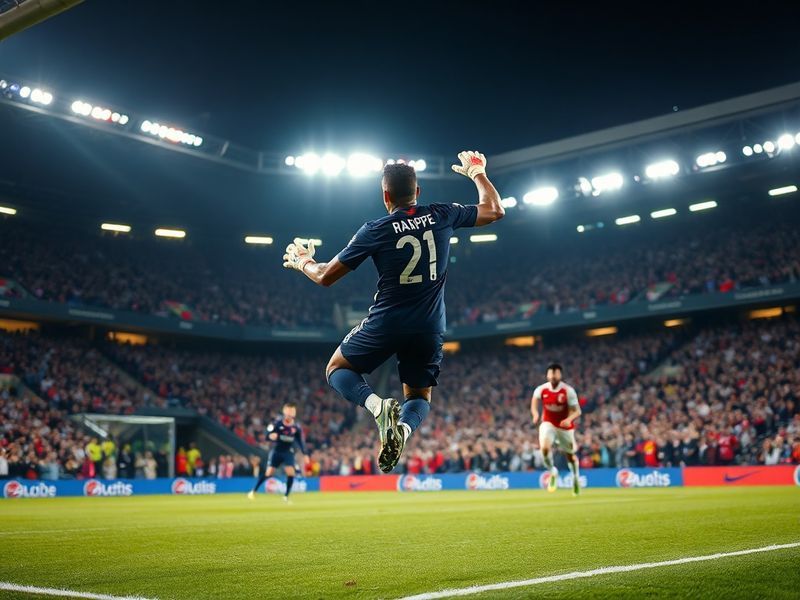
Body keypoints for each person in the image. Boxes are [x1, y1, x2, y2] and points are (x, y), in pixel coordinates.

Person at [282, 152, 504, 472]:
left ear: (385, 196)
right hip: (429, 327)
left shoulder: (375, 229)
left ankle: (377, 408)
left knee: (336, 368)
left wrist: (302, 259)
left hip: (388, 321)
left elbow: (325, 276)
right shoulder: (442, 214)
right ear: (419, 192)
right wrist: (478, 173)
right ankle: (402, 428)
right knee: (418, 397)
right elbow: (495, 210)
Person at [531, 363, 582, 496]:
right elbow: (534, 402)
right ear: (547, 375)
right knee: (545, 448)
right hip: (548, 423)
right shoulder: (541, 389)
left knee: (570, 456)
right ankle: (553, 472)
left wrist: (569, 419)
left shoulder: (567, 391)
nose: (553, 376)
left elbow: (577, 411)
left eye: (556, 373)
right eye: (551, 373)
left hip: (565, 427)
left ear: (560, 375)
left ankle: (576, 479)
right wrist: (536, 414)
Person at [248, 403, 307, 503]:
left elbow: (300, 441)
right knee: (269, 473)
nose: (290, 413)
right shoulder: (276, 423)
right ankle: (253, 491)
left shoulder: (296, 427)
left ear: (294, 413)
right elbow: (267, 435)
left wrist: (304, 454)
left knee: (291, 472)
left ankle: (286, 496)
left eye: (292, 411)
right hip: (276, 451)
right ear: (284, 412)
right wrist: (270, 436)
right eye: (288, 411)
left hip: (288, 452)